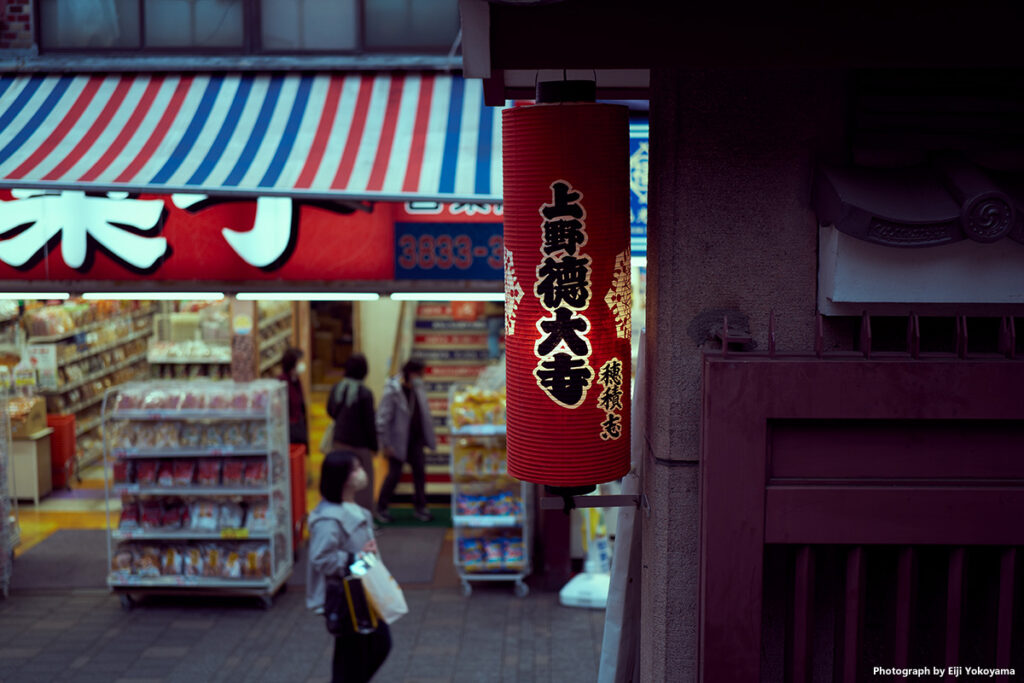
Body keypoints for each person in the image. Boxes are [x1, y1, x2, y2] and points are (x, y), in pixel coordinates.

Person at [307, 450, 391, 683]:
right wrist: (356, 557)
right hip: (348, 599)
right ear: (341, 478)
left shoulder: (357, 510)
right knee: (362, 650)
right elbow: (322, 559)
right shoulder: (329, 520)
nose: (361, 474)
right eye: (355, 469)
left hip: (363, 593)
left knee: (360, 652)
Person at [375, 359, 436, 523]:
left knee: (420, 473)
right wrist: (386, 443)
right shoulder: (392, 391)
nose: (422, 377)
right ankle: (381, 507)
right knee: (394, 475)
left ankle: (420, 507)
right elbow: (383, 419)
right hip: (397, 441)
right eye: (419, 374)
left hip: (415, 440)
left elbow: (424, 414)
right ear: (411, 373)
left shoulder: (418, 389)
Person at [327, 354, 378, 511]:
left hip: (339, 442)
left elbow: (330, 411)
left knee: (341, 481)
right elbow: (370, 423)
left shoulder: (337, 388)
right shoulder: (365, 393)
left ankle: (340, 512)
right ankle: (363, 516)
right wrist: (374, 446)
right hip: (359, 446)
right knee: (362, 483)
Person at [279, 347, 308, 451]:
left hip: (298, 425)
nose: (302, 365)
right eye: (299, 362)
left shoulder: (296, 379)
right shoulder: (282, 382)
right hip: (289, 430)